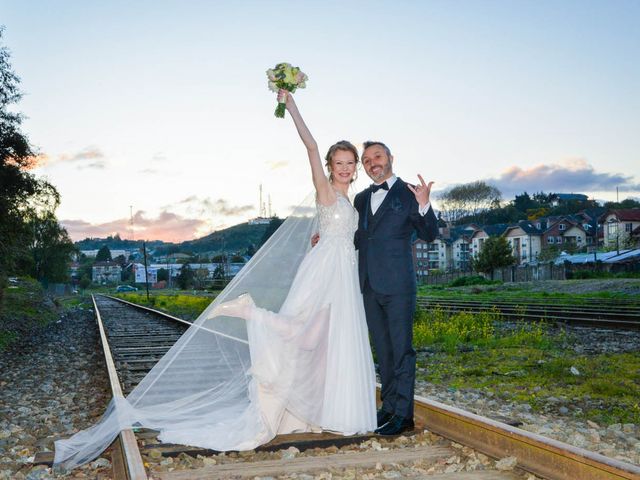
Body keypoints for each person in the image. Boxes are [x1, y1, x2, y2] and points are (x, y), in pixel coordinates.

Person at [53, 90, 376, 471]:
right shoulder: (324, 191)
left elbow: (334, 233)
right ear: (330, 165)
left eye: (349, 163)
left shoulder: (352, 202)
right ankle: (250, 312)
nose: (343, 168)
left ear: (355, 168)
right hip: (325, 273)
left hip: (342, 272)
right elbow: (310, 146)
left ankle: (315, 409)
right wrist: (291, 107)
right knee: (304, 336)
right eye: (338, 162)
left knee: (321, 345)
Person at [354, 141, 438, 436]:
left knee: (402, 350)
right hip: (368, 285)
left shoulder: (408, 192)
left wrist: (425, 204)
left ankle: (404, 415)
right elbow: (358, 238)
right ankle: (388, 408)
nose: (372, 162)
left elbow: (429, 234)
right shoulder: (362, 199)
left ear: (390, 158)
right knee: (383, 351)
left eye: (377, 156)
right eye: (366, 160)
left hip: (399, 285)